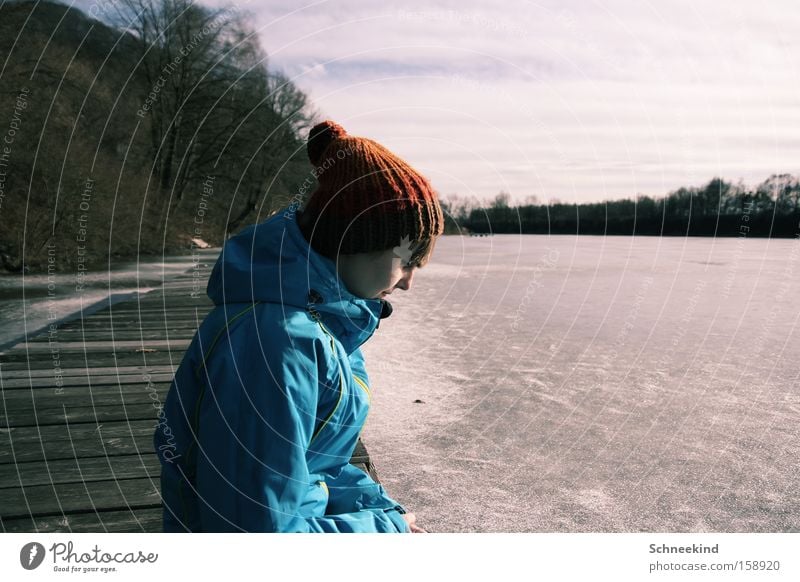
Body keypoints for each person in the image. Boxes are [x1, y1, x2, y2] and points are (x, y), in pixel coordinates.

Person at [154, 120, 444, 532]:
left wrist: (381, 510)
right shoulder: (275, 346)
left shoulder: (323, 323)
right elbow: (259, 534)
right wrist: (384, 533)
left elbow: (315, 466)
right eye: (408, 260)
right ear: (353, 239)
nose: (410, 282)